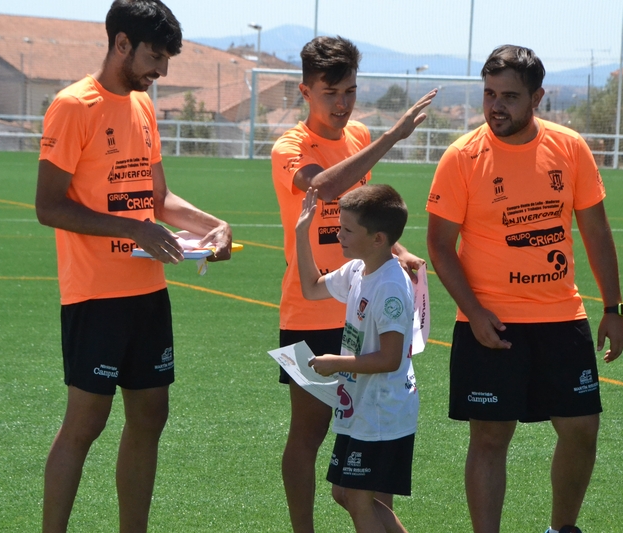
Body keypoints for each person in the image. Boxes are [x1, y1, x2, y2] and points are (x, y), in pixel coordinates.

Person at [34, 2, 231, 532]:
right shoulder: (73, 105)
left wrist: (213, 225)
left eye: (166, 59)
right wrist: (132, 229)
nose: (161, 70)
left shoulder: (143, 107)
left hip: (147, 291)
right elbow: (48, 206)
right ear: (121, 43)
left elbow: (158, 198)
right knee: (86, 423)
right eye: (155, 56)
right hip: (94, 295)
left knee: (150, 416)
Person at [425, 45, 623, 533]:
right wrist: (474, 312)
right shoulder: (462, 156)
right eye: (489, 94)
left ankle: (562, 529)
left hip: (561, 317)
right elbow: (440, 246)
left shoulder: (570, 147)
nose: (496, 106)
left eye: (509, 97)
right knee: (490, 438)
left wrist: (613, 307)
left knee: (582, 429)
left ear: (537, 98)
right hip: (492, 323)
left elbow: (596, 231)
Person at [270, 35, 435, 532]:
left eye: (350, 91)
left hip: (364, 311)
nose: (342, 104)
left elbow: (366, 216)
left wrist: (399, 252)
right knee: (309, 433)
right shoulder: (289, 146)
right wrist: (394, 136)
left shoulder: (359, 134)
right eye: (331, 93)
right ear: (305, 91)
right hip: (310, 310)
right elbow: (325, 187)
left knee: (373, 435)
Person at [296, 184, 417, 533]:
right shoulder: (357, 270)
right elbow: (311, 288)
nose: (339, 236)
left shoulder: (389, 286)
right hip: (360, 407)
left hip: (382, 411)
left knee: (357, 497)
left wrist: (336, 363)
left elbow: (391, 358)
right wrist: (301, 234)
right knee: (344, 493)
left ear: (378, 239)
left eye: (348, 230)